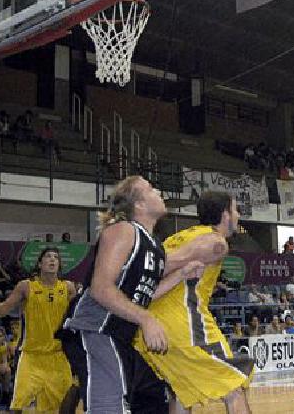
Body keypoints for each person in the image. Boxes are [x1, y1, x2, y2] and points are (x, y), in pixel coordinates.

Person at [61, 175, 214, 413]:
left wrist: (181, 274)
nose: (158, 191)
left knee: (155, 397)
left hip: (120, 336)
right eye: (151, 189)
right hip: (95, 330)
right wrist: (146, 318)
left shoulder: (153, 244)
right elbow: (100, 288)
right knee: (110, 407)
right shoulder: (123, 230)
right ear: (139, 204)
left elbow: (142, 296)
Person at [132, 191, 255, 413]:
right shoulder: (215, 242)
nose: (238, 215)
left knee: (181, 392)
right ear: (225, 214)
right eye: (235, 210)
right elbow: (157, 268)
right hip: (184, 324)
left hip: (152, 325)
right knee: (234, 385)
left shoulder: (179, 236)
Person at [0, 247, 77, 412]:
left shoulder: (68, 287)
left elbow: (77, 316)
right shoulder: (26, 286)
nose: (52, 260)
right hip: (31, 356)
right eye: (48, 257)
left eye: (56, 258)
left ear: (59, 265)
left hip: (58, 356)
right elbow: (2, 310)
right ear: (39, 263)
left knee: (62, 407)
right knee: (18, 405)